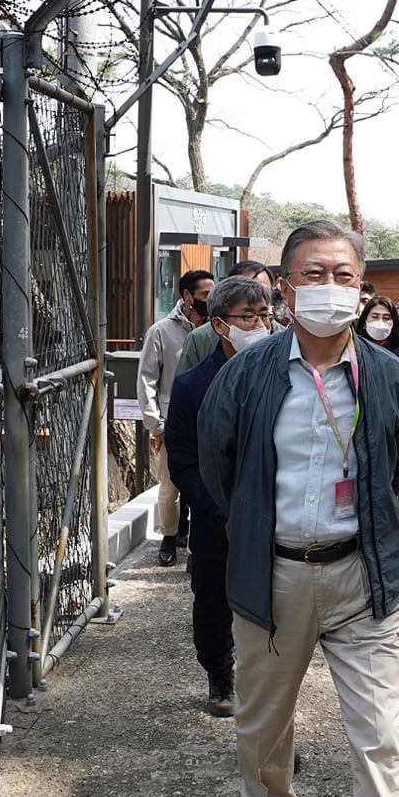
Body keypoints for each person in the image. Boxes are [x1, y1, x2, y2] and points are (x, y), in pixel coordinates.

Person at [197, 219, 399, 797]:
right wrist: (264, 532)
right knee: (264, 721)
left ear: (362, 288)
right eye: (312, 274)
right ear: (284, 289)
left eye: (343, 274)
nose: (329, 288)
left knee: (381, 743)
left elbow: (394, 463)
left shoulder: (390, 375)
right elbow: (217, 466)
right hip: (275, 577)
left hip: (366, 580)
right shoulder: (251, 373)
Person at [163, 275, 273, 716]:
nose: (260, 324)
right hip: (216, 519)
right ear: (220, 326)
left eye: (264, 315)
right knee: (212, 602)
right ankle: (219, 674)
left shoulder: (282, 374)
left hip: (272, 516)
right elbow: (184, 458)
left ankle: (262, 689)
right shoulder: (193, 385)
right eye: (248, 317)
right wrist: (216, 512)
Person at [138, 268, 213, 566]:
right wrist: (155, 423)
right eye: (206, 295)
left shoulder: (218, 328)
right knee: (169, 487)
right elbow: (147, 379)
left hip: (208, 420)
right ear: (187, 295)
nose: (211, 300)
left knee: (205, 485)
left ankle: (193, 539)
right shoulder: (161, 331)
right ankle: (169, 536)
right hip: (173, 422)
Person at [358, 294, 399, 539]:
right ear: (364, 320)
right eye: (375, 317)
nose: (381, 322)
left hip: (390, 430)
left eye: (387, 317)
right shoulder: (353, 349)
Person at [178, 260, 272, 371]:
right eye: (248, 316)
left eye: (264, 290)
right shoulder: (199, 338)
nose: (260, 326)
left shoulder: (282, 335)